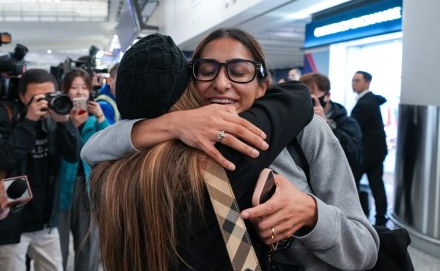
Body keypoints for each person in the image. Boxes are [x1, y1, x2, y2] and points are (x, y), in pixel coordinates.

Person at [83, 29, 379, 270]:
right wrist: (174, 123)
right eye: (206, 71)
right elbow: (93, 149)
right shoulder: (178, 140)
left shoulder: (305, 132)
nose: (221, 84)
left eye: (240, 71)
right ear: (189, 83)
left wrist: (312, 214)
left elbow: (364, 250)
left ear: (262, 86)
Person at [0, 68, 80, 271]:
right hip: (12, 221)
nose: (45, 102)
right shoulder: (7, 115)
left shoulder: (55, 118)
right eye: (37, 97)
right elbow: (5, 159)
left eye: (49, 96)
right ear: (21, 96)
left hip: (46, 221)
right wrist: (28, 121)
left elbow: (74, 155)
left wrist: (64, 123)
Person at [57, 69, 108, 271]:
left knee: (88, 246)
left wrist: (101, 117)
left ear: (90, 91)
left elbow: (111, 146)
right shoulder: (59, 118)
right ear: (66, 91)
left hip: (88, 187)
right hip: (61, 188)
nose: (79, 92)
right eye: (74, 87)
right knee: (57, 245)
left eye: (84, 87)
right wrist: (69, 125)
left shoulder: (95, 120)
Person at [300, 72, 364, 168]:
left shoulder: (347, 122)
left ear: (327, 96)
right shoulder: (301, 119)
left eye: (312, 93)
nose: (307, 98)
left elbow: (356, 156)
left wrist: (326, 123)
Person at [351, 70, 388, 226]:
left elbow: (352, 126)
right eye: (353, 80)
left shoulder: (365, 103)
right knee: (376, 183)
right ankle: (380, 217)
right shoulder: (372, 99)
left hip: (367, 153)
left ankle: (359, 215)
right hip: (377, 151)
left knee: (351, 183)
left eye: (357, 80)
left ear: (367, 82)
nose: (354, 83)